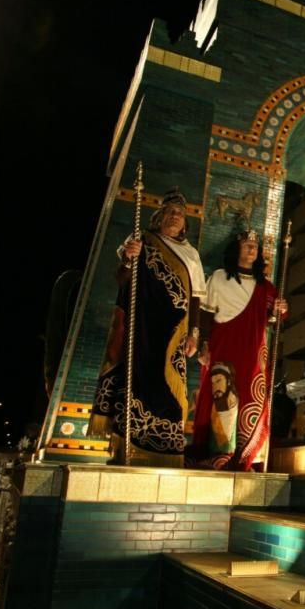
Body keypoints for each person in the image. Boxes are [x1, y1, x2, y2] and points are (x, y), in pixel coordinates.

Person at [89, 188, 206, 467]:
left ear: (185, 223)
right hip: (142, 328)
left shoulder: (191, 255)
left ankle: (166, 450)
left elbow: (197, 297)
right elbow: (121, 278)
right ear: (159, 217)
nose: (174, 217)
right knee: (135, 382)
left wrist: (194, 334)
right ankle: (127, 447)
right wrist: (130, 257)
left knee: (171, 391)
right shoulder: (142, 240)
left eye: (179, 214)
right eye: (168, 212)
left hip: (174, 332)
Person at [191, 229, 286, 470]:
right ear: (236, 250)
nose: (252, 249)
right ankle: (216, 453)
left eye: (255, 245)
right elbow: (205, 314)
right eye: (246, 244)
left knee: (249, 399)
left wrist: (280, 308)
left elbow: (276, 315)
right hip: (223, 345)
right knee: (221, 395)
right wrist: (203, 344)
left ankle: (244, 456)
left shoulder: (265, 286)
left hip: (253, 351)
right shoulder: (219, 278)